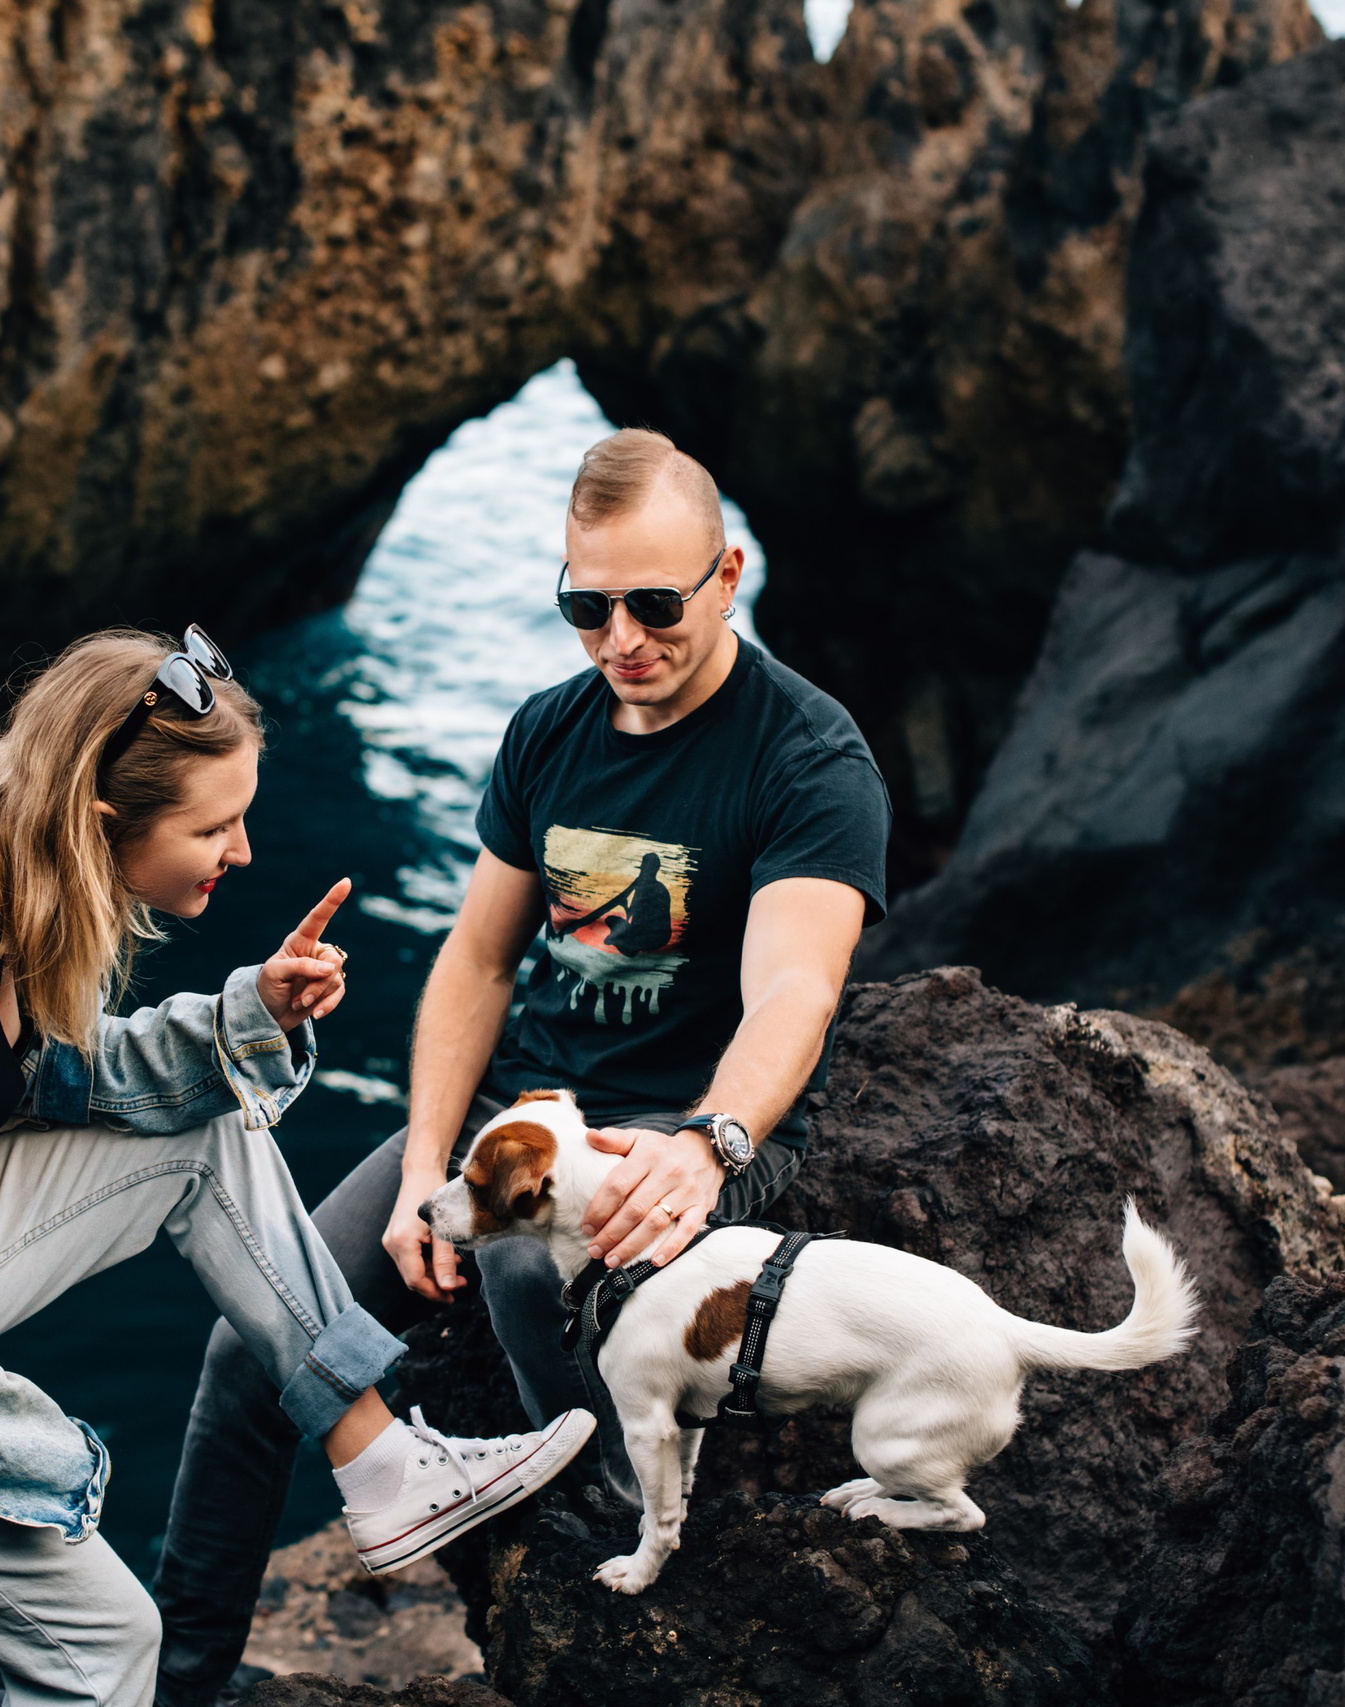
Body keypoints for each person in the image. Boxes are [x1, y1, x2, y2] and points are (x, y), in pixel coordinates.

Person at [0, 627, 593, 1707]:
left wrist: (245, 1015)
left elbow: (29, 1081)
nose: (242, 853)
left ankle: (379, 1468)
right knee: (112, 1648)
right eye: (213, 826)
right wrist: (45, 1463)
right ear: (101, 819)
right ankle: (372, 1470)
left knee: (209, 1128)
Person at [151, 430, 891, 1706]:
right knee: (251, 1351)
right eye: (585, 604)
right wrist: (424, 1165)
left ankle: (624, 1528)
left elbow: (794, 987)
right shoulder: (549, 733)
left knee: (512, 1260)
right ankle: (179, 1682)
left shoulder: (806, 758)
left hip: (680, 1124)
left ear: (729, 575)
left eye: (655, 604)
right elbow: (478, 961)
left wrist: (712, 1142)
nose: (622, 639)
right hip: (523, 1116)